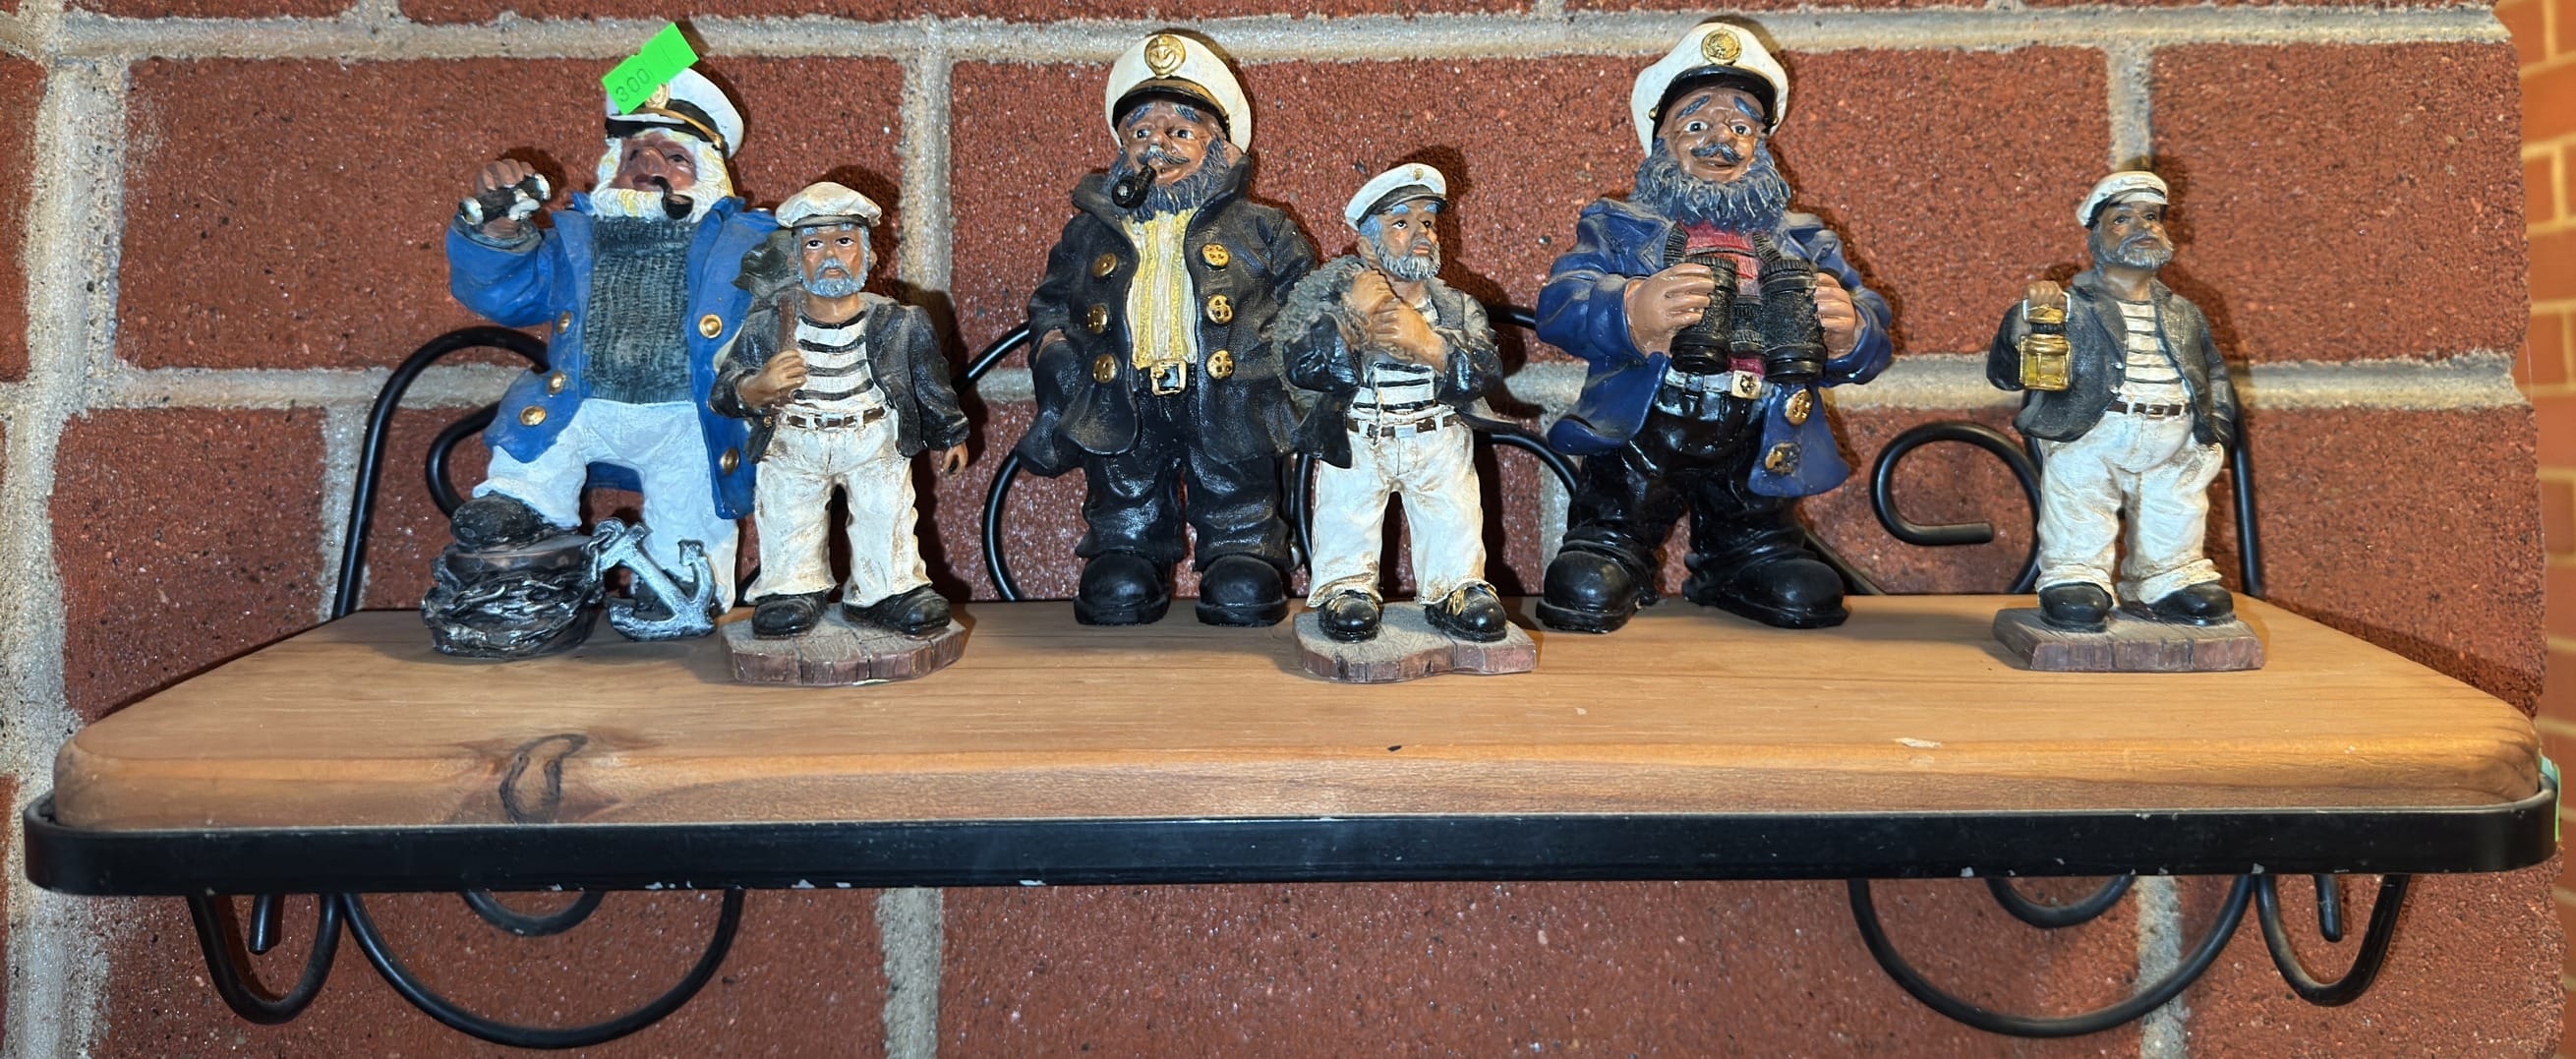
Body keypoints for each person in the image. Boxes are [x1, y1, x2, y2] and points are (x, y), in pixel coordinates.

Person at [1536, 22, 1893, 633]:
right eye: (1697, 125)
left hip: (1758, 422)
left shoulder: (1805, 241)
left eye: (1742, 128)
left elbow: (1872, 331)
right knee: (1609, 536)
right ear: (1662, 139)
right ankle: (1613, 544)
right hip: (1649, 423)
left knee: (1771, 542)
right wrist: (1632, 309)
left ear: (1761, 144)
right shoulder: (1620, 228)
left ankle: (1742, 557)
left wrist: (1850, 329)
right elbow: (1560, 305)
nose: (1721, 140)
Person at [1013, 31, 1317, 626]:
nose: (1158, 146)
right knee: (1124, 480)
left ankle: (1241, 548)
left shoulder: (1264, 228)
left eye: (1180, 132)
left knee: (1234, 478)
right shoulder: (1089, 232)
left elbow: (1304, 298)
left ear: (1220, 147)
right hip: (1124, 391)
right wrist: (1052, 346)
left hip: (1229, 393)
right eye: (1141, 133)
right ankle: (1127, 547)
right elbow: (1051, 301)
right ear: (1121, 149)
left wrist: (1294, 366)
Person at [443, 68, 775, 615]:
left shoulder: (746, 246)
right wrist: (498, 234)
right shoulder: (575, 241)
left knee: (691, 496)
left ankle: (678, 585)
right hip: (582, 403)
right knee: (538, 445)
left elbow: (795, 305)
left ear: (707, 174)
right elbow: (506, 295)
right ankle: (522, 516)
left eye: (674, 157)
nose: (650, 166)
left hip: (687, 417)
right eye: (635, 154)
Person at [711, 182, 970, 638]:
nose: (830, 255)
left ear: (869, 255)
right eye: (814, 244)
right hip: (794, 443)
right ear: (796, 259)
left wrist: (951, 435)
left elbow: (930, 384)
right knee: (789, 517)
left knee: (885, 515)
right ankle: (792, 587)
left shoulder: (900, 323)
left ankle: (889, 589)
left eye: (844, 241)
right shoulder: (768, 326)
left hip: (873, 442)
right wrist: (756, 386)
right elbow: (723, 391)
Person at [1987, 170, 2239, 631]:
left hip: (2174, 433)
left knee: (2176, 507)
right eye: (2123, 218)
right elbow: (2006, 374)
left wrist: (2215, 426)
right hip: (2091, 431)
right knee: (2081, 501)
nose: (2143, 227)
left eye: (2152, 217)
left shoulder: (2184, 312)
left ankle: (2167, 578)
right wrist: (2027, 319)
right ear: (2096, 236)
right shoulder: (2069, 306)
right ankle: (2075, 577)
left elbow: (2213, 372)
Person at [1275, 163, 1507, 643]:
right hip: (1361, 438)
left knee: (1452, 513)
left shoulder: (1456, 307)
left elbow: (1486, 368)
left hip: (1437, 438)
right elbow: (1300, 366)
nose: (1421, 233)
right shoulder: (1333, 303)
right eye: (1401, 222)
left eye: (1428, 222)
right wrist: (1349, 322)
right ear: (1366, 243)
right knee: (1348, 513)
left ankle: (1455, 586)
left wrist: (1432, 346)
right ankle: (1347, 587)